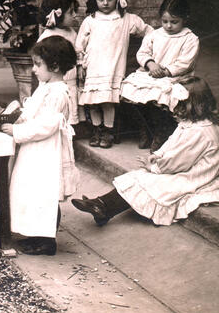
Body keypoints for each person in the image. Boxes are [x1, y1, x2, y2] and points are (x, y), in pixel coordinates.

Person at [73, 77, 219, 227]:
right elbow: (173, 143)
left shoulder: (200, 132)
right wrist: (157, 155)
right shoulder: (193, 124)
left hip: (195, 175)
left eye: (181, 104)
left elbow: (179, 161)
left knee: (145, 180)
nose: (176, 108)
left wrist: (156, 167)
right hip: (186, 166)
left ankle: (102, 207)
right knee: (138, 177)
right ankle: (101, 206)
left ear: (193, 105)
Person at [1, 36, 79, 256]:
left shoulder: (59, 93)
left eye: (37, 64)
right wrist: (17, 116)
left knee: (44, 193)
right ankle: (35, 234)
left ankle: (47, 241)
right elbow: (32, 112)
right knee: (31, 191)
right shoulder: (45, 87)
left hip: (46, 151)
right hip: (34, 149)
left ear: (54, 66)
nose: (34, 69)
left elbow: (47, 125)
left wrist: (18, 132)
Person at [75, 0, 152, 148]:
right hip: (93, 67)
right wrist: (80, 64)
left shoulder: (126, 19)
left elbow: (149, 32)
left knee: (108, 101)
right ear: (94, 0)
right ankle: (97, 129)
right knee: (93, 102)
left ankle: (108, 131)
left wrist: (149, 52)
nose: (105, 3)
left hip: (113, 67)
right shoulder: (90, 20)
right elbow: (79, 45)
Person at [121, 0, 199, 151]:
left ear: (185, 19)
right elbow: (143, 53)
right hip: (152, 73)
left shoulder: (190, 39)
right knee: (131, 88)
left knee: (161, 95)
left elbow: (185, 63)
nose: (168, 26)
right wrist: (151, 64)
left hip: (175, 77)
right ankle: (145, 129)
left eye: (174, 22)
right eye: (165, 21)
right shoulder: (155, 35)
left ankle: (160, 133)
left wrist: (165, 71)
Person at [38, 0, 82, 125]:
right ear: (58, 14)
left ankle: (70, 130)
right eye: (71, 12)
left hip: (71, 79)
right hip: (54, 81)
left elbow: (78, 52)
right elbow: (42, 61)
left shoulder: (71, 32)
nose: (75, 15)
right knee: (55, 109)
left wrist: (79, 66)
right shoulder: (47, 37)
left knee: (70, 104)